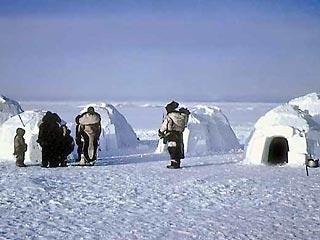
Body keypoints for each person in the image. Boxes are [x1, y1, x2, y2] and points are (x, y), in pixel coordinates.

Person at [158, 101, 190, 169]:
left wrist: (160, 132)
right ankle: (177, 163)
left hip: (171, 133)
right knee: (178, 148)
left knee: (172, 148)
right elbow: (185, 124)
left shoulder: (170, 115)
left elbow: (165, 125)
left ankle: (174, 164)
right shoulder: (183, 115)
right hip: (179, 133)